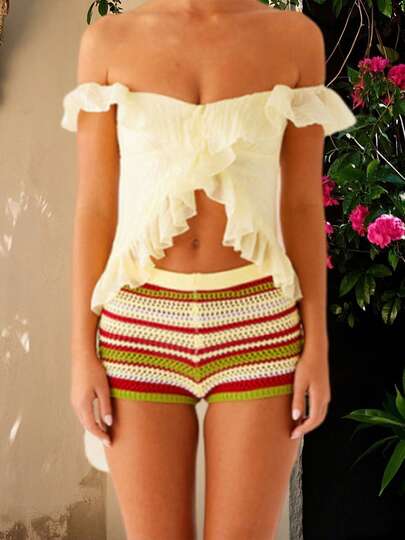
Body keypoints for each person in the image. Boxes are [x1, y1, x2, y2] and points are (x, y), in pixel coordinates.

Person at [61, 0, 356, 538]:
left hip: (259, 326)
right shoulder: (107, 41)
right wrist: (82, 353)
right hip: (139, 329)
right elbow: (95, 207)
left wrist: (317, 346)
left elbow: (301, 204)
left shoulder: (295, 38)